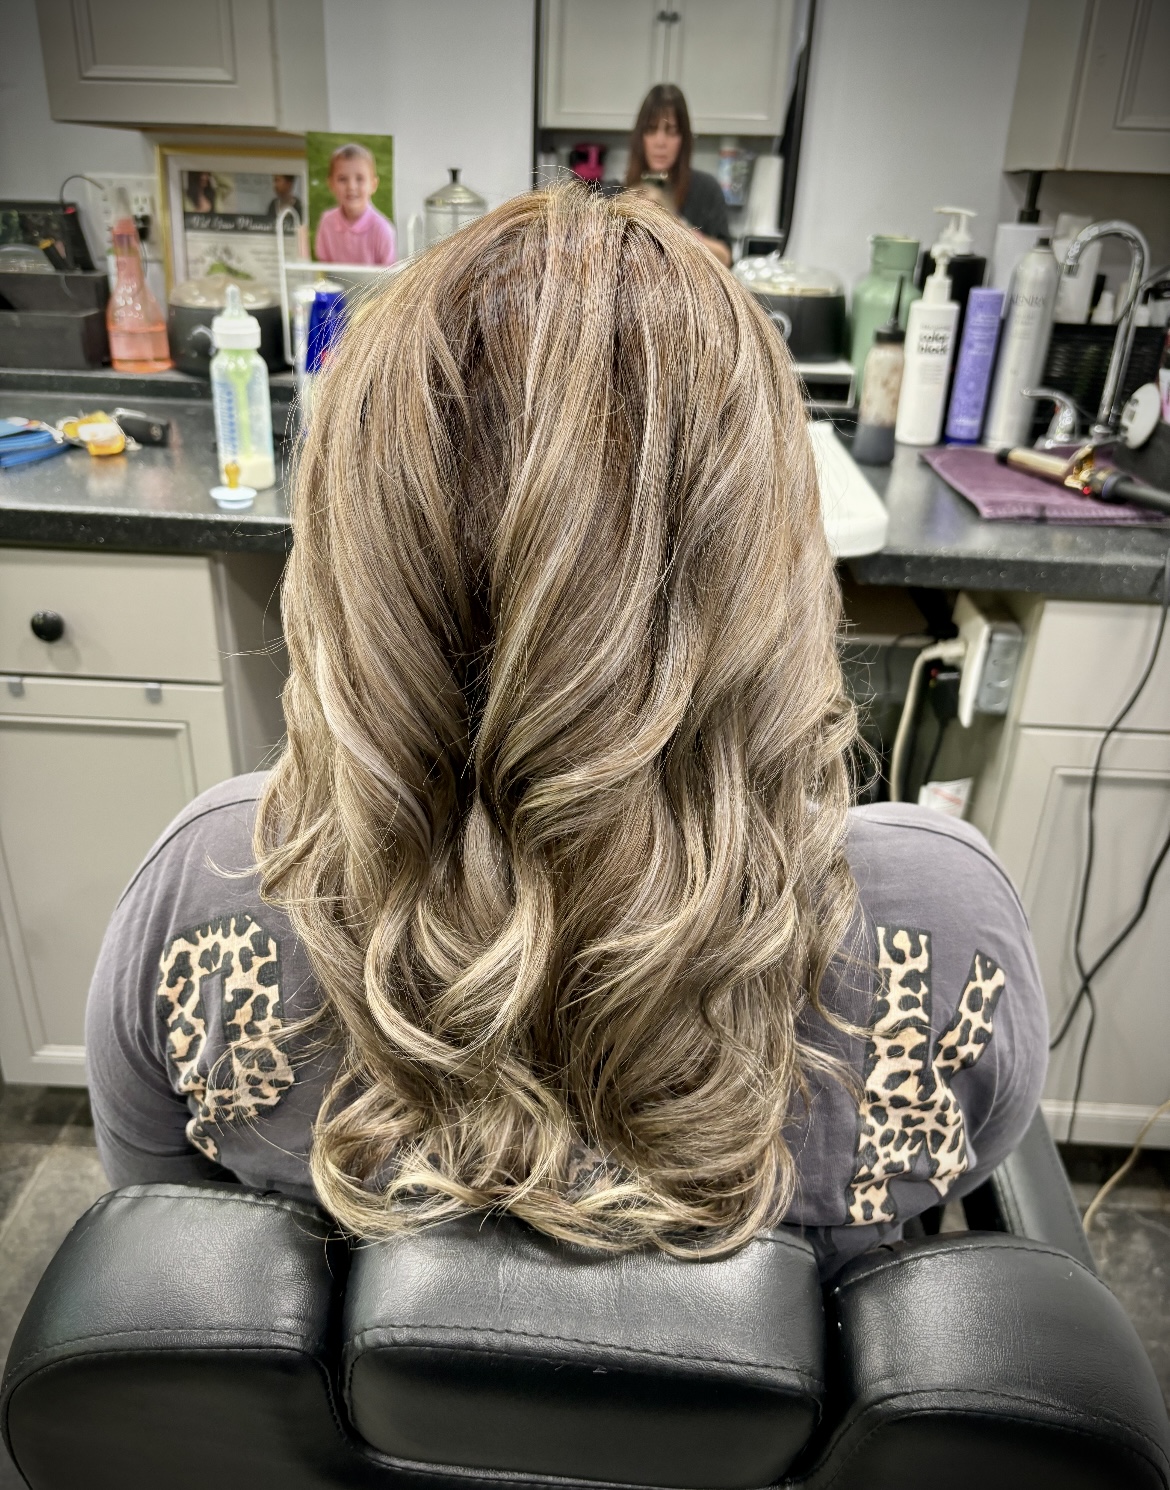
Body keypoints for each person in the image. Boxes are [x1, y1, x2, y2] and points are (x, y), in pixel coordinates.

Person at [86, 186, 1046, 1276]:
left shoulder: (204, 903)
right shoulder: (948, 930)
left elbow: (163, 1247)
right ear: (772, 560)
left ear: (352, 554)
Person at [625, 84, 731, 266]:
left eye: (671, 131)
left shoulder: (706, 189)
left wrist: (679, 231)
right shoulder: (617, 192)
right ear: (640, 137)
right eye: (651, 130)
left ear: (684, 138)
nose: (660, 142)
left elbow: (726, 258)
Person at [314, 143, 396, 266]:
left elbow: (391, 274)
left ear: (373, 185)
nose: (351, 187)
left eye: (359, 179)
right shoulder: (327, 222)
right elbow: (323, 267)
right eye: (342, 179)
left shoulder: (382, 229)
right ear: (331, 184)